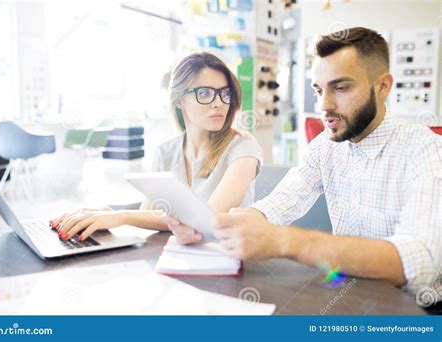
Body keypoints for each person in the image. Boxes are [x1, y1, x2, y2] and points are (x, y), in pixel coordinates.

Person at [168, 27, 442, 307]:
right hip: (350, 298)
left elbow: (419, 263)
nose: (323, 105)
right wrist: (214, 225)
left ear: (383, 86)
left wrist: (286, 241)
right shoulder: (325, 146)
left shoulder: (426, 149)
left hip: (415, 312)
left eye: (341, 87)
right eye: (319, 90)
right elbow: (279, 203)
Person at [50, 52, 262, 242]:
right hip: (179, 259)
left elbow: (210, 219)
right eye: (205, 93)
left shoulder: (243, 146)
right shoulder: (165, 153)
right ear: (179, 100)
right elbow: (148, 215)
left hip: (230, 261)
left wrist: (120, 216)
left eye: (225, 93)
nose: (219, 103)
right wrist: (108, 213)